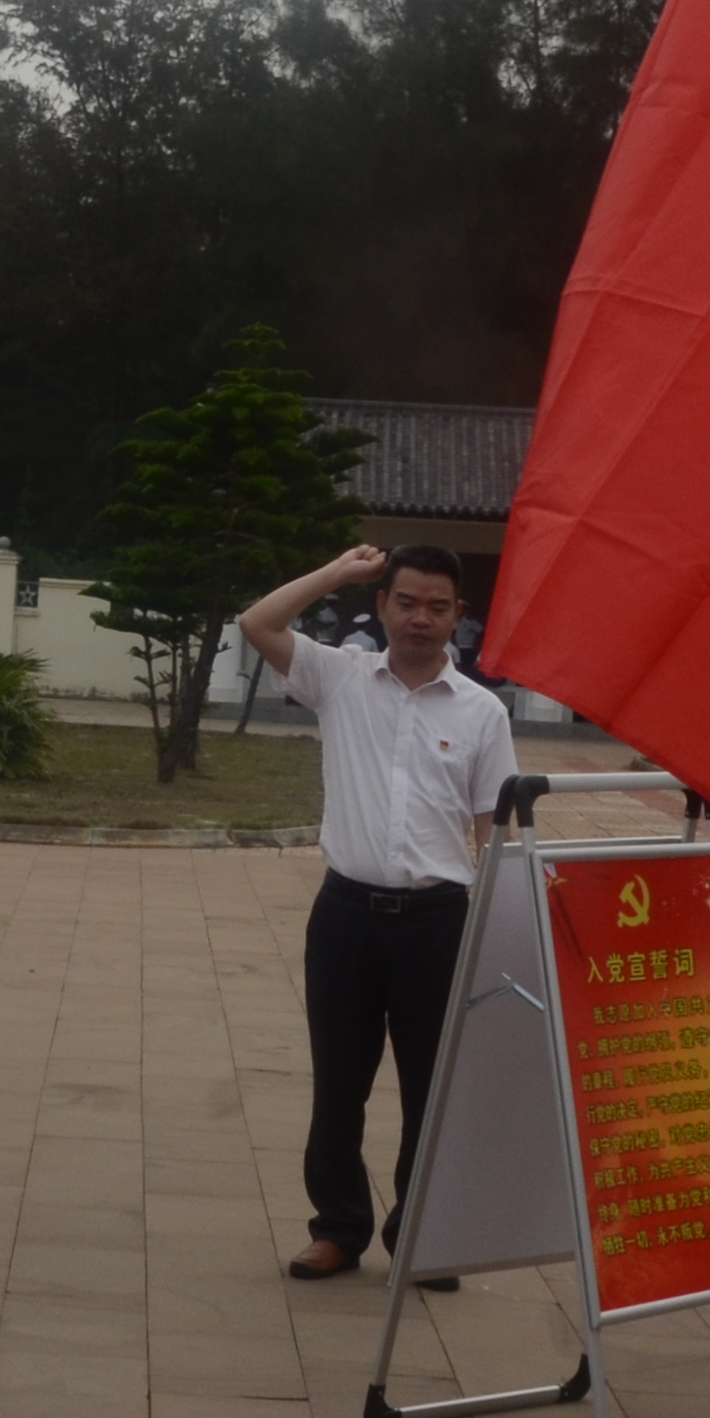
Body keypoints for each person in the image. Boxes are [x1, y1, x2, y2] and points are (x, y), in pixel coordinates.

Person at [234, 541, 516, 1284]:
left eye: (437, 606)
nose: (420, 618)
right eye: (405, 601)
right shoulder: (340, 678)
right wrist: (335, 570)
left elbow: (494, 829)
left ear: (459, 616)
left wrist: (500, 927)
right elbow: (258, 623)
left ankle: (420, 1237)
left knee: (433, 1089)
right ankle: (338, 1228)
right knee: (339, 1082)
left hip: (439, 923)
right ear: (382, 605)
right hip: (346, 918)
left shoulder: (484, 712)